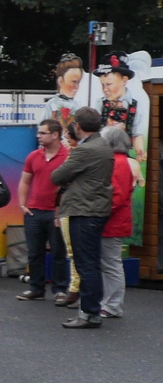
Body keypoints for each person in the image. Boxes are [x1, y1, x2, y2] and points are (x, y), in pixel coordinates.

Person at [52, 108, 114, 330]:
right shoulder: (103, 145)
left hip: (83, 210)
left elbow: (56, 176)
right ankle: (91, 311)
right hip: (95, 209)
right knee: (91, 262)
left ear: (77, 125)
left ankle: (89, 313)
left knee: (85, 263)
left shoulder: (84, 150)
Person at [16, 119, 70, 301]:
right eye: (38, 133)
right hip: (34, 211)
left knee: (58, 252)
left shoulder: (68, 156)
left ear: (55, 135)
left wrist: (62, 211)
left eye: (42, 133)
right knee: (34, 252)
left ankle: (60, 289)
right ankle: (36, 288)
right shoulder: (33, 156)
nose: (38, 136)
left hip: (56, 212)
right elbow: (25, 181)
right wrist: (23, 205)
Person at [100, 125, 135, 319]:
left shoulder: (118, 163)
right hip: (112, 221)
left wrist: (97, 213)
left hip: (112, 222)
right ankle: (108, 302)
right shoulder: (118, 161)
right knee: (109, 263)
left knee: (111, 265)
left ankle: (112, 305)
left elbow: (117, 196)